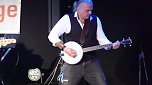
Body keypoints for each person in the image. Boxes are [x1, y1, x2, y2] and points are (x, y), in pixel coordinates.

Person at [48, 0, 120, 85]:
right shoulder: (67, 19)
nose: (90, 12)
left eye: (91, 10)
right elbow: (52, 35)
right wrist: (65, 48)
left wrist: (111, 45)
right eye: (87, 10)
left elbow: (102, 40)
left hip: (91, 62)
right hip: (72, 64)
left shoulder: (95, 19)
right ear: (79, 9)